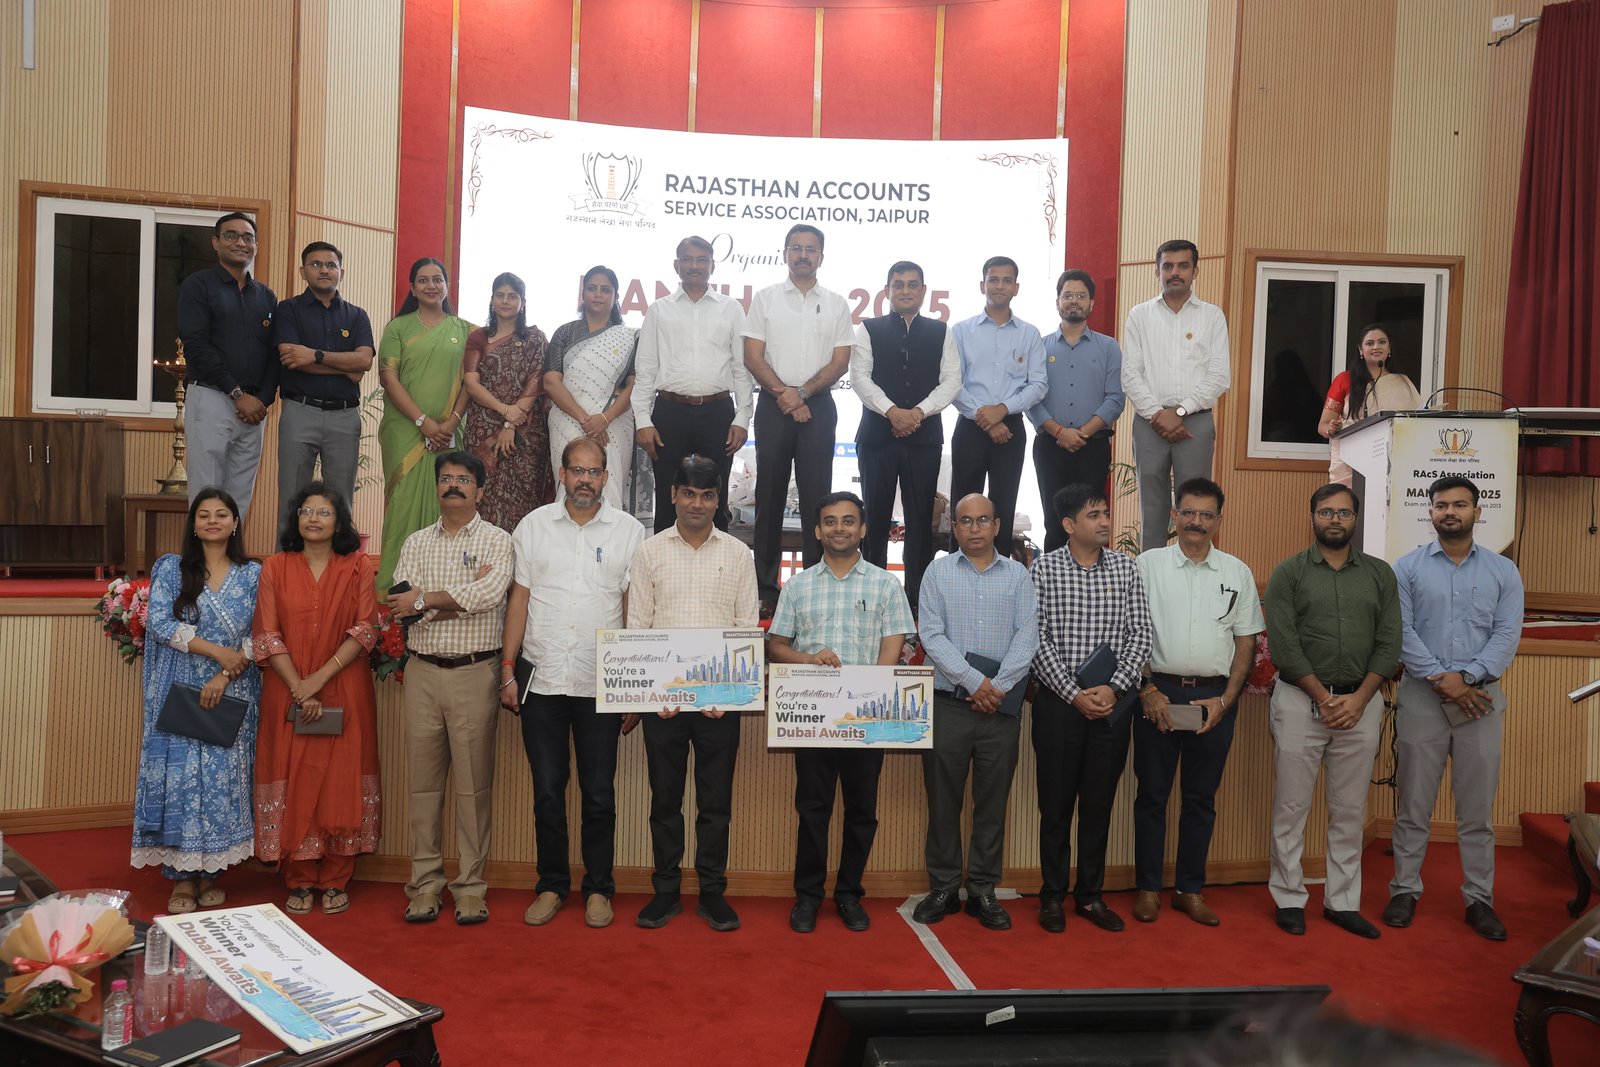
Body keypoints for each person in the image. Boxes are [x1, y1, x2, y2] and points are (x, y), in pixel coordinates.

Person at [501, 438, 646, 930]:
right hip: (542, 679)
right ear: (562, 473)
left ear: (606, 476)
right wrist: (507, 668)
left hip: (600, 683)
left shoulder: (629, 532)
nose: (585, 479)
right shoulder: (533, 526)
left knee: (599, 793)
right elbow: (519, 600)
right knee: (547, 791)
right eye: (577, 470)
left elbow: (632, 610)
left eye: (594, 471)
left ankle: (599, 889)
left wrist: (633, 688)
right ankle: (551, 885)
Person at [768, 491, 916, 934]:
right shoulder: (797, 586)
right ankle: (808, 897)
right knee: (813, 810)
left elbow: (894, 647)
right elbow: (777, 646)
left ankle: (850, 895)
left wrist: (869, 695)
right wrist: (809, 659)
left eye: (848, 521)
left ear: (863, 529)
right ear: (817, 531)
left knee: (861, 812)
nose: (839, 529)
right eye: (830, 521)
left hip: (867, 719)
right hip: (813, 719)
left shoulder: (885, 585)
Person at [1385, 476, 1523, 941]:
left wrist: (1467, 680)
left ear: (1476, 512)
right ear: (1430, 512)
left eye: (1460, 505)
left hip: (1480, 701)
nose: (1450, 512)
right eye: (1441, 505)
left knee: (1477, 812)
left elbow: (1507, 634)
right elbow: (1402, 631)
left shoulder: (1504, 571)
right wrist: (1445, 681)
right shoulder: (1406, 568)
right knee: (1413, 805)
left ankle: (1479, 900)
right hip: (1422, 698)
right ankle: (1404, 890)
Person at [627, 455, 760, 932]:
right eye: (688, 494)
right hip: (663, 706)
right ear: (673, 496)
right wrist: (650, 693)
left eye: (706, 495)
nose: (697, 504)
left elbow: (747, 629)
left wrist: (729, 694)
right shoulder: (649, 552)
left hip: (719, 706)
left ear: (718, 500)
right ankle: (665, 891)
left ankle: (712, 893)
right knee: (665, 802)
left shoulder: (739, 555)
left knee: (715, 804)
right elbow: (638, 628)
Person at [1264, 483, 1401, 939]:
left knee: (1349, 809)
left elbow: (1390, 642)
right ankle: (1289, 896)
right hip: (1300, 702)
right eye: (1326, 512)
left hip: (1361, 704)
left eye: (1344, 513)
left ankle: (1342, 902)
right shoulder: (1289, 573)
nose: (1335, 520)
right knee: (1291, 806)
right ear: (1313, 517)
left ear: (1355, 519)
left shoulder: (1380, 574)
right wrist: (1324, 699)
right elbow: (1284, 646)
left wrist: (1359, 699)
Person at [384, 451, 514, 925]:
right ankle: (424, 885)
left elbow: (489, 595)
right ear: (437, 487)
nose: (453, 485)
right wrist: (454, 598)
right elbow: (402, 606)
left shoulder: (498, 540)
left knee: (473, 788)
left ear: (481, 491)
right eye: (445, 478)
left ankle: (471, 887)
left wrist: (428, 599)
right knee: (422, 786)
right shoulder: (416, 541)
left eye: (463, 479)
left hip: (475, 673)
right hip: (422, 672)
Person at [1131, 478, 1263, 926]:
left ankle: (1189, 889)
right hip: (1159, 695)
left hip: (1212, 700)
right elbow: (1130, 630)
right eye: (1188, 512)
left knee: (1200, 799)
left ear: (1218, 521)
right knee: (1152, 796)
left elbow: (1245, 642)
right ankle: (1148, 888)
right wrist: (1147, 690)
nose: (1196, 522)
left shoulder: (1236, 572)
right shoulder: (1147, 566)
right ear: (1174, 516)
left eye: (1206, 515)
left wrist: (1225, 700)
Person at [253, 482, 381, 915]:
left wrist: (318, 680)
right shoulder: (275, 567)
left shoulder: (358, 566)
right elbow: (267, 634)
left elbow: (365, 629)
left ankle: (336, 877)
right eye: (306, 510)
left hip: (344, 684)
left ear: (339, 522)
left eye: (324, 512)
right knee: (292, 773)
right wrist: (298, 685)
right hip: (285, 688)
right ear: (296, 519)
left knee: (340, 777)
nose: (314, 518)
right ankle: (300, 877)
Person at [1030, 482, 1153, 933]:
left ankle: (1090, 896)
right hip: (1059, 706)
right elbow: (1035, 639)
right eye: (1094, 515)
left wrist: (1114, 688)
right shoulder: (1043, 569)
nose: (1105, 521)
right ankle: (1051, 896)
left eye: (1105, 513)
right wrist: (1073, 693)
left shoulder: (1126, 568)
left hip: (1111, 706)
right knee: (1056, 807)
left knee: (1099, 805)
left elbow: (1141, 633)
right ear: (1069, 524)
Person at [913, 493, 1038, 930]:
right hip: (949, 705)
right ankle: (945, 887)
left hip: (999, 710)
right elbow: (931, 634)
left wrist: (995, 688)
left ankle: (983, 889)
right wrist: (975, 682)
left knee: (992, 803)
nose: (975, 528)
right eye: (965, 521)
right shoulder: (937, 572)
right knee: (943, 802)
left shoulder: (1019, 576)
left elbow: (1028, 636)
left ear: (997, 526)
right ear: (955, 527)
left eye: (983, 520)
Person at [131, 488, 260, 913]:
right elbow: (159, 623)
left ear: (235, 523)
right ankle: (182, 876)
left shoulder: (253, 574)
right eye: (204, 515)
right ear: (194, 524)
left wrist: (225, 673)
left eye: (221, 514)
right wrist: (216, 652)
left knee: (222, 781)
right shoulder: (172, 568)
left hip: (233, 688)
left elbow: (260, 633)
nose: (212, 521)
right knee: (183, 779)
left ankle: (212, 874)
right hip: (181, 688)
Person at [743, 225, 855, 612]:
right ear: (785, 254)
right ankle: (765, 589)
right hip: (774, 404)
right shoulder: (765, 299)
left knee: (817, 499)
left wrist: (802, 394)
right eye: (796, 248)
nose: (803, 255)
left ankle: (814, 587)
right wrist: (786, 395)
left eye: (811, 249)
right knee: (769, 497)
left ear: (821, 257)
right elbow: (752, 357)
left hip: (818, 405)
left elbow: (841, 361)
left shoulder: (837, 303)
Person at [850, 260, 961, 613]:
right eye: (898, 284)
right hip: (876, 439)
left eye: (913, 284)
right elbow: (860, 377)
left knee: (920, 522)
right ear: (887, 291)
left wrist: (917, 413)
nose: (906, 290)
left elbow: (952, 381)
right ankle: (872, 602)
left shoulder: (941, 331)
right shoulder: (869, 329)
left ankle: (917, 604)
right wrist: (892, 412)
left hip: (923, 440)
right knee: (875, 519)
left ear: (924, 291)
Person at [632, 236, 751, 532]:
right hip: (669, 411)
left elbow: (741, 367)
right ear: (677, 265)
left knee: (716, 496)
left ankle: (718, 560)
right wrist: (643, 420)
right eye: (687, 259)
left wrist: (742, 418)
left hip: (718, 411)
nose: (695, 265)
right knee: (668, 497)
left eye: (702, 260)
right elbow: (645, 368)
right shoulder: (659, 310)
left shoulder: (731, 309)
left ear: (712, 265)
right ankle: (664, 559)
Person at [1121, 239, 1231, 551]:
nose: (1175, 272)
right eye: (1167, 266)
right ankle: (1151, 575)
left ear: (1195, 271)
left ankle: (1194, 566)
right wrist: (1158, 414)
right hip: (1149, 422)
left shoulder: (1212, 316)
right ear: (1157, 271)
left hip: (1195, 422)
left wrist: (1180, 411)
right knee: (1152, 506)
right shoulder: (1140, 315)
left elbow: (1219, 375)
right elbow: (1130, 373)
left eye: (1183, 265)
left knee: (1195, 505)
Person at [376, 257, 475, 591]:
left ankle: (441, 591)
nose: (431, 286)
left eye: (437, 279)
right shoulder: (398, 327)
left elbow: (471, 381)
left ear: (447, 285)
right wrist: (423, 422)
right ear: (412, 288)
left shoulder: (467, 331)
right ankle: (393, 596)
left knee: (447, 505)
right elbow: (388, 378)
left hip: (449, 433)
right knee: (403, 509)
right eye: (423, 280)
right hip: (406, 432)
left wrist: (451, 421)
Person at [177, 212, 278, 523]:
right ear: (216, 242)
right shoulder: (198, 286)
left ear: (256, 245)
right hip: (212, 399)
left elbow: (274, 354)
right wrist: (237, 394)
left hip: (253, 410)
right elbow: (197, 346)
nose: (240, 242)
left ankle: (232, 554)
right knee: (208, 493)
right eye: (231, 235)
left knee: (239, 496)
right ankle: (203, 555)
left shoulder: (266, 296)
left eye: (248, 237)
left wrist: (263, 400)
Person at [950, 256, 1047, 558]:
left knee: (1003, 505)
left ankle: (999, 572)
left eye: (1007, 280)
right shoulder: (961, 331)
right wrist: (986, 417)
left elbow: (1038, 384)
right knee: (963, 504)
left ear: (1016, 288)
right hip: (970, 426)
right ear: (983, 285)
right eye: (993, 279)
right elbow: (952, 383)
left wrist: (1002, 410)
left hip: (1011, 428)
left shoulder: (1029, 333)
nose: (999, 285)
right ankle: (956, 572)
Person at [1027, 269, 1124, 553]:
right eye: (1067, 295)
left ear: (1091, 303)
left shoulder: (1109, 347)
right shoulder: (1039, 347)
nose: (1073, 301)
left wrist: (1081, 433)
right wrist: (1060, 432)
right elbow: (1031, 398)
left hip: (1092, 446)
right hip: (1050, 445)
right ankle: (1053, 578)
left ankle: (1089, 577)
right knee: (1054, 520)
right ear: (1057, 302)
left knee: (1090, 520)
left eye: (1081, 296)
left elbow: (1115, 398)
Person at [272, 241, 375, 509]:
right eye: (316, 264)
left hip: (344, 416)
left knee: (340, 504)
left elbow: (364, 361)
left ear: (342, 272)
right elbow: (291, 358)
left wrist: (314, 355)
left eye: (331, 265)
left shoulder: (357, 316)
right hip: (299, 412)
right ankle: (290, 542)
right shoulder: (288, 309)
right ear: (303, 271)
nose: (324, 270)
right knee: (292, 502)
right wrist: (347, 367)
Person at [461, 271, 554, 532]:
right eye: (500, 295)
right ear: (491, 300)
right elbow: (471, 383)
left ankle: (523, 557)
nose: (505, 301)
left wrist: (510, 425)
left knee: (525, 498)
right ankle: (485, 555)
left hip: (526, 433)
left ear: (522, 302)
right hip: (483, 430)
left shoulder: (535, 339)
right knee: (483, 496)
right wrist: (505, 412)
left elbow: (537, 380)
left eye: (512, 296)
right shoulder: (478, 337)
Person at [545, 265, 639, 511]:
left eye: (605, 290)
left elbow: (633, 385)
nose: (598, 294)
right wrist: (587, 421)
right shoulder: (564, 333)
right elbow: (551, 381)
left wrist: (604, 419)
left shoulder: (629, 337)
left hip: (613, 422)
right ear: (583, 293)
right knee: (569, 484)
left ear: (616, 297)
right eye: (592, 288)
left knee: (610, 486)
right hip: (568, 418)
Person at [1317, 324, 1424, 485]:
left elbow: (1417, 421)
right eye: (1370, 343)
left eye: (1382, 342)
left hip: (1393, 458)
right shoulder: (1345, 380)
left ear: (1389, 348)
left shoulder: (1402, 382)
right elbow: (1323, 426)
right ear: (1360, 350)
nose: (1376, 347)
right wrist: (1331, 428)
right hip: (1351, 460)